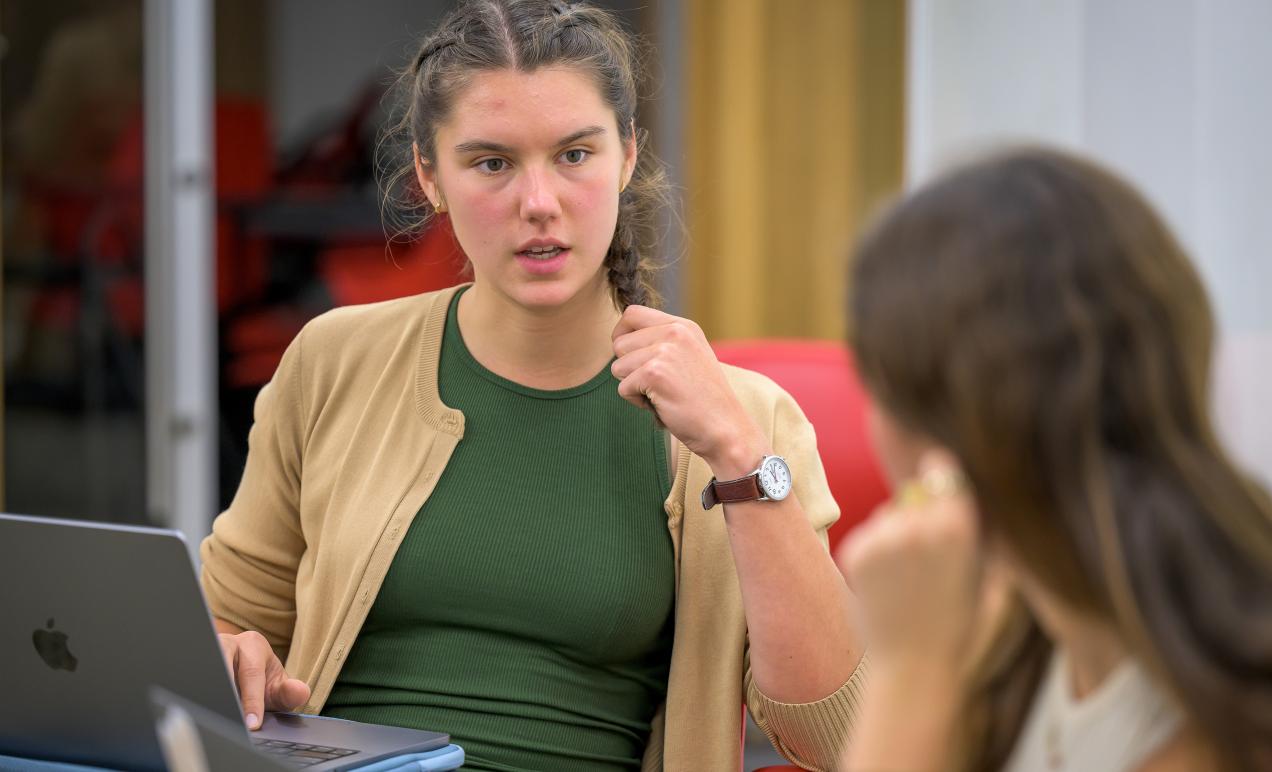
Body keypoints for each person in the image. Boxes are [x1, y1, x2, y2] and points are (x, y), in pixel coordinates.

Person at [200, 1, 866, 770]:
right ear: (429, 175)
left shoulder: (745, 420)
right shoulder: (333, 359)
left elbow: (839, 739)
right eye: (492, 163)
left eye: (575, 155)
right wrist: (229, 655)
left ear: (627, 156)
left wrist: (742, 460)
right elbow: (225, 626)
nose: (539, 203)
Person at [837, 148, 1272, 771]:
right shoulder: (1020, 623)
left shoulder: (1213, 731)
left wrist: (908, 672)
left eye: (873, 387)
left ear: (948, 430)